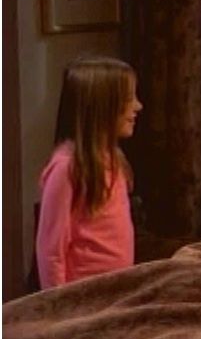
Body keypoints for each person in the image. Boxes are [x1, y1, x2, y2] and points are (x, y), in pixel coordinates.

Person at [36, 57, 143, 289]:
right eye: (128, 99)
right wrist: (58, 304)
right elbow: (51, 251)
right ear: (101, 107)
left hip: (115, 290)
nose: (138, 106)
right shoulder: (67, 168)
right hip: (83, 296)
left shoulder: (114, 159)